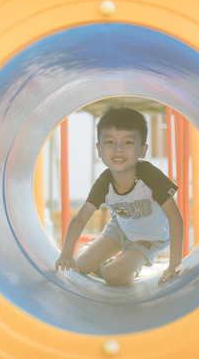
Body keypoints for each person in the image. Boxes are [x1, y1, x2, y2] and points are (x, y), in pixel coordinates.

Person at [55, 106, 184, 285]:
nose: (118, 149)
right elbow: (81, 218)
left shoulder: (150, 175)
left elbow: (175, 217)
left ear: (142, 150)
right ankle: (94, 252)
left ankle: (128, 267)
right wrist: (66, 254)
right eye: (110, 142)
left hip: (149, 238)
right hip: (120, 229)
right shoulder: (105, 181)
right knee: (81, 265)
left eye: (128, 142)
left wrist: (174, 263)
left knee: (113, 276)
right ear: (99, 149)